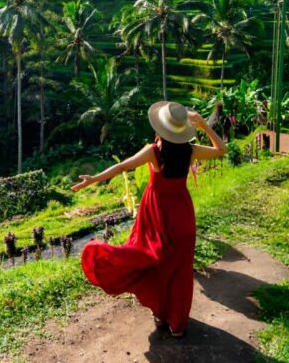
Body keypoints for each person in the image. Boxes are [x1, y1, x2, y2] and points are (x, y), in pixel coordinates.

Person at [71, 100, 227, 338]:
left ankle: (161, 314)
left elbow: (122, 166)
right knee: (180, 270)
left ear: (160, 130)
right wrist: (204, 125)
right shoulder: (190, 151)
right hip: (182, 216)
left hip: (156, 215)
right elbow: (221, 149)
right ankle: (177, 324)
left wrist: (92, 179)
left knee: (155, 262)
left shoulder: (154, 151)